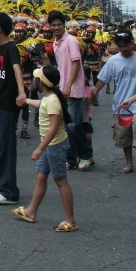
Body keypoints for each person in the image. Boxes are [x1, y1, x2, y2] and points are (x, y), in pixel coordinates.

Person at [12, 65, 78, 231]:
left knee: (60, 180)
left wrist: (39, 148)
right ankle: (31, 211)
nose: (35, 80)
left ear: (41, 82)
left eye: (37, 78)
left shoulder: (53, 101)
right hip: (51, 145)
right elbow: (42, 104)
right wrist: (25, 100)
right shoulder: (51, 98)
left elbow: (54, 128)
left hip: (54, 145)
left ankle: (70, 220)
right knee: (41, 175)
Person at [0, 12, 26, 205]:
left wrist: (21, 93)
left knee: (6, 147)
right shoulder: (3, 47)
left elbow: (17, 69)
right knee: (2, 146)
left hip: (9, 105)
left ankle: (9, 192)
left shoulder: (11, 49)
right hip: (0, 103)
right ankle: (4, 185)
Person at [91, 29, 136, 174]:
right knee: (124, 138)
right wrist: (94, 92)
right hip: (121, 106)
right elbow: (103, 79)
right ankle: (129, 164)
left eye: (126, 45)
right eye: (120, 46)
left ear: (131, 43)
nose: (123, 49)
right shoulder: (113, 61)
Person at [49, 10, 93, 171]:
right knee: (67, 126)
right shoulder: (55, 43)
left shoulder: (71, 41)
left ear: (64, 25)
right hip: (62, 88)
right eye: (53, 25)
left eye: (59, 24)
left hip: (73, 88)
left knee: (74, 125)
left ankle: (86, 155)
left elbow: (76, 64)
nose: (56, 27)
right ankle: (71, 158)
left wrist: (68, 85)